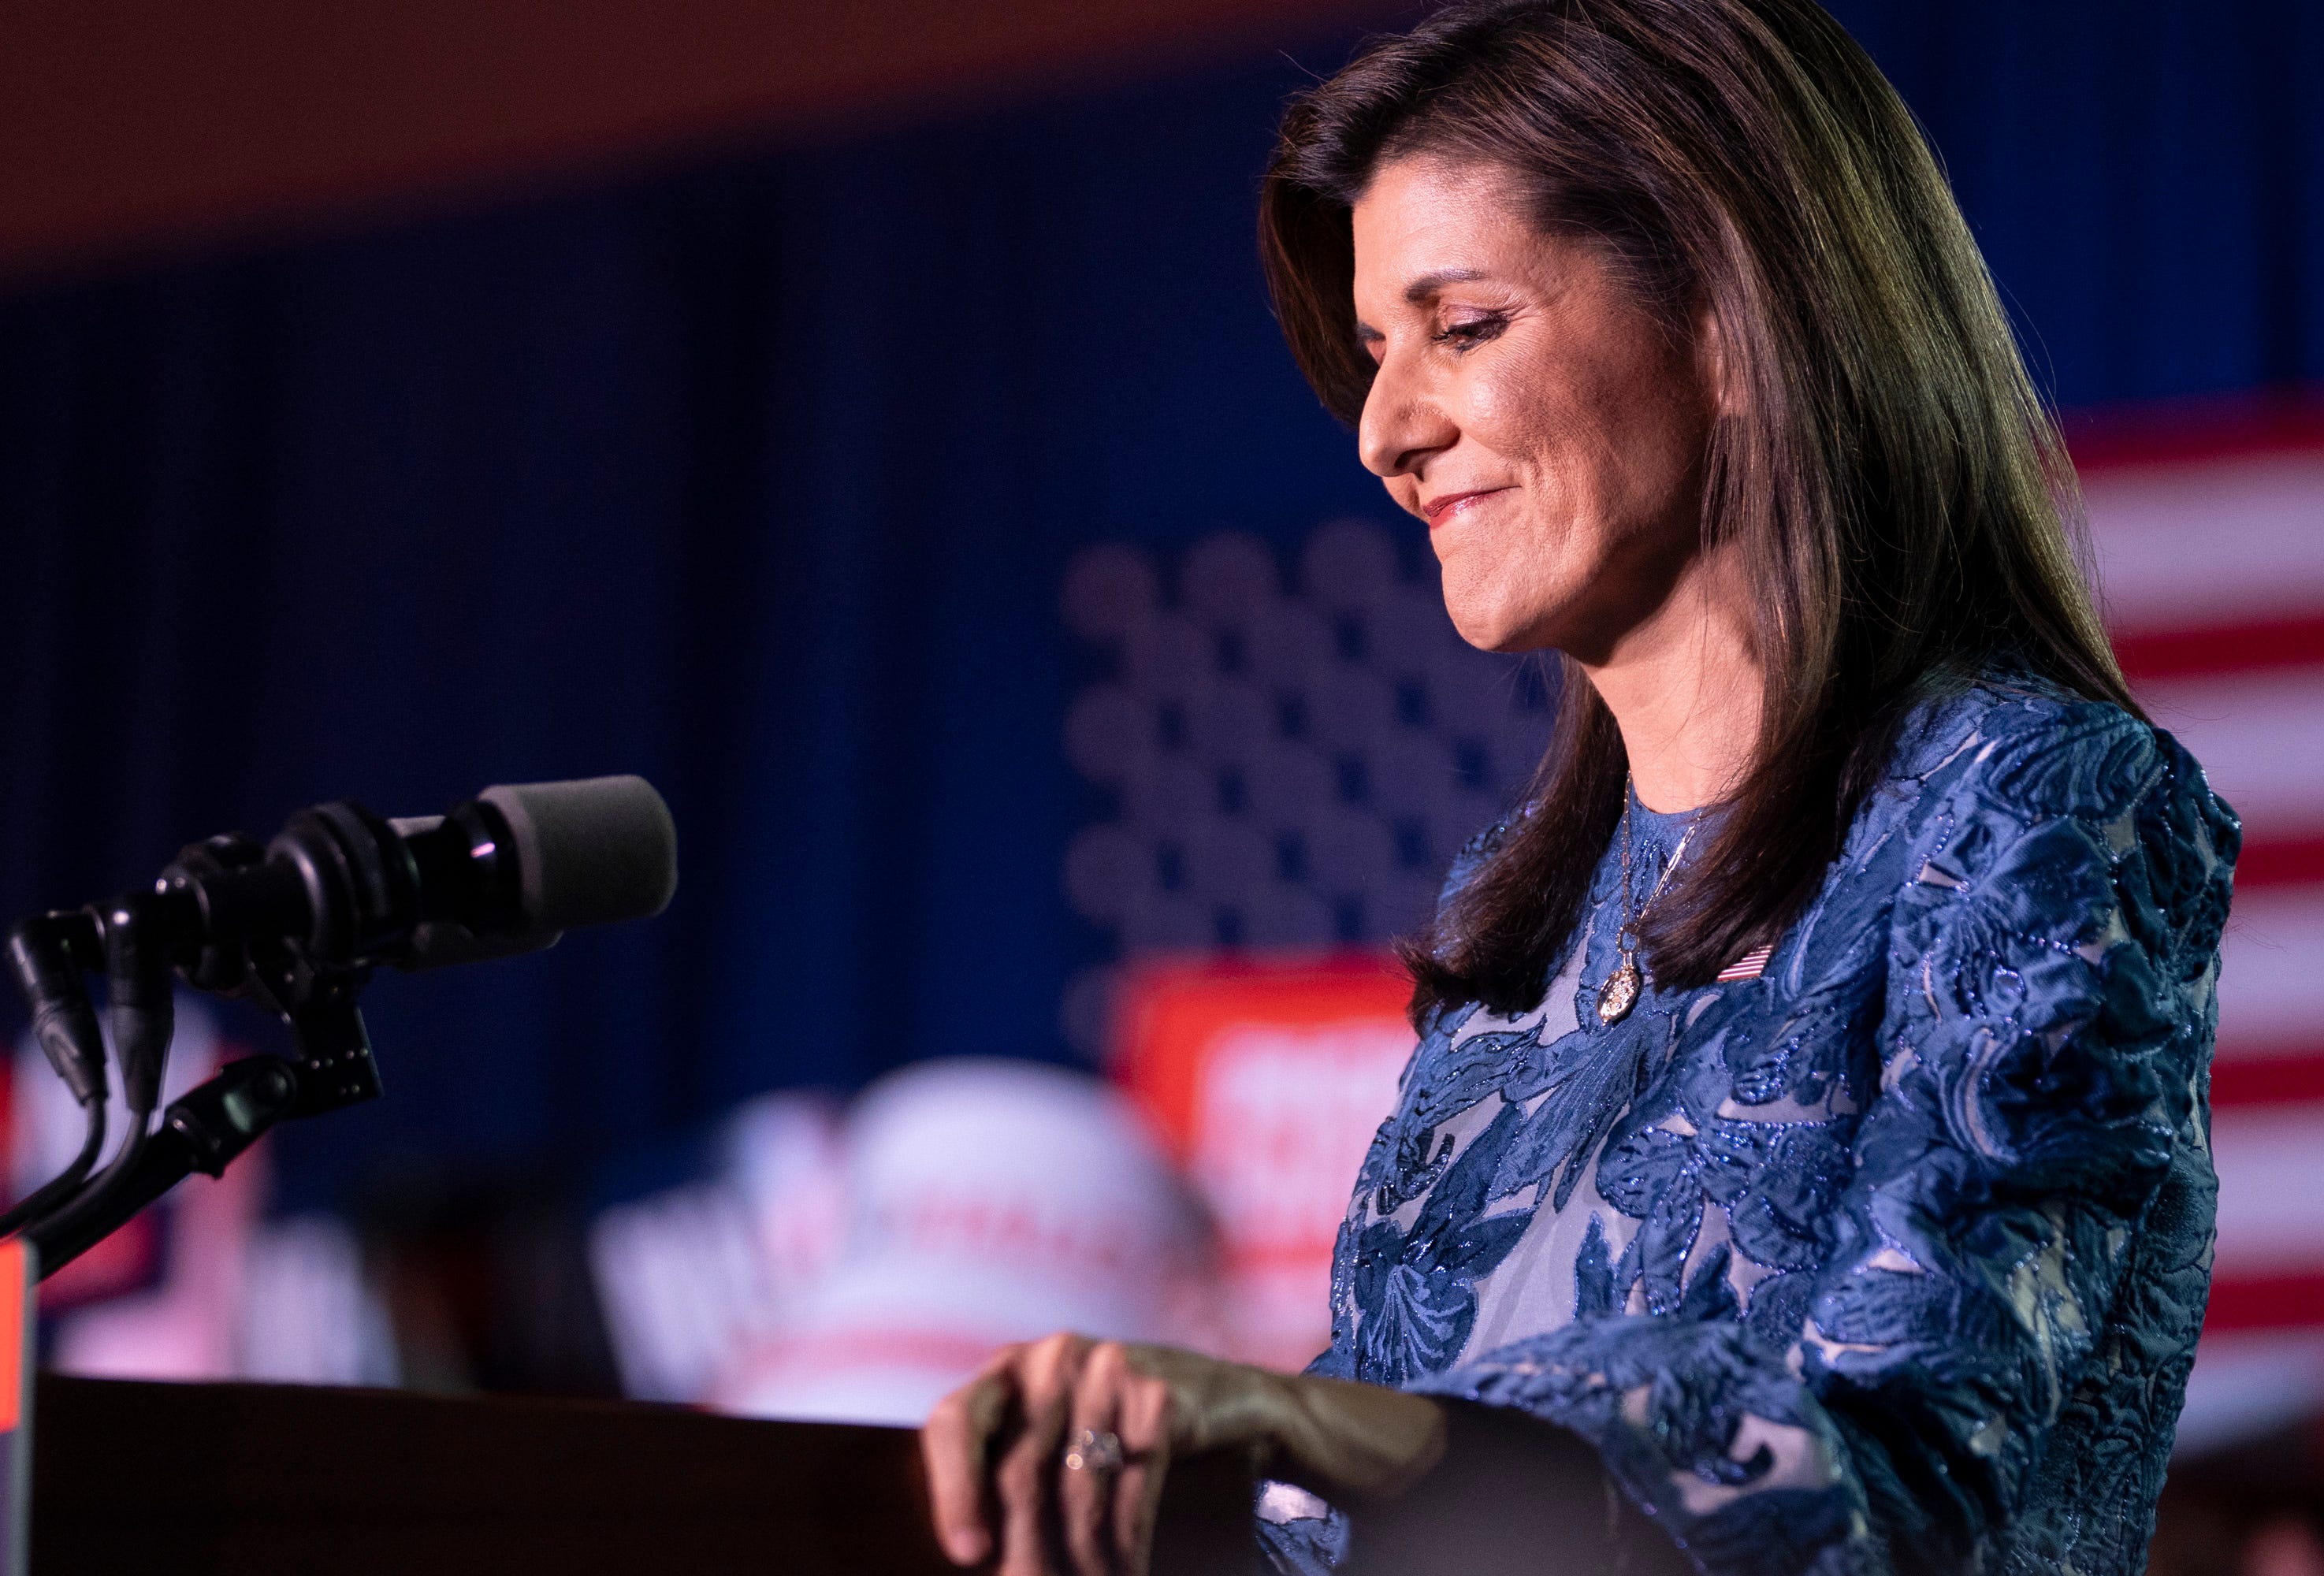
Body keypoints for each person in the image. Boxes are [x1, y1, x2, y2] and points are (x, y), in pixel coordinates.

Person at [923, 1, 2239, 1571]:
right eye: (1371, 354)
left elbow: (1910, 1452)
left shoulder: (2032, 806)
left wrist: (1323, 1429)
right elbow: (1356, 1531)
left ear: (1737, 323)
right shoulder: (1513, 935)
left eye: (1462, 327)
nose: (1386, 432)